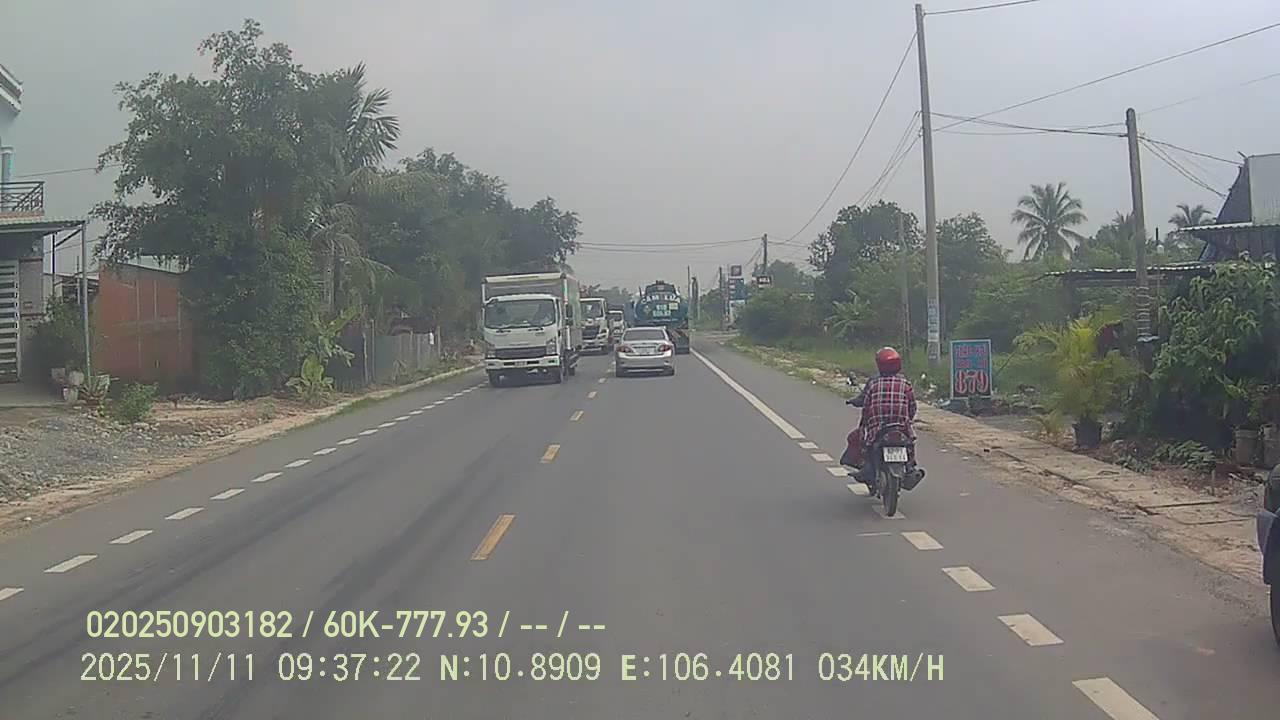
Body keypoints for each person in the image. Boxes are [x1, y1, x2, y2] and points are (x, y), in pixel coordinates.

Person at [843, 347, 921, 482]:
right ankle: (910, 466)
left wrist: (864, 421)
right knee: (909, 443)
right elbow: (912, 406)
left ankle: (868, 468)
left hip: (878, 427)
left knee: (867, 444)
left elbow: (866, 405)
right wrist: (908, 420)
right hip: (901, 426)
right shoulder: (905, 384)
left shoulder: (874, 383)